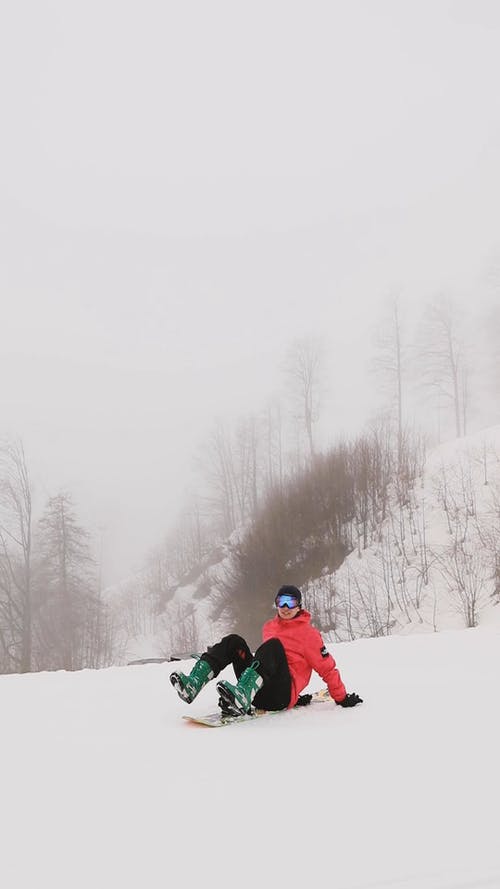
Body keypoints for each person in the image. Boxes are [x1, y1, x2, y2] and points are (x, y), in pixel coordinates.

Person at [170, 584, 363, 717]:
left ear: (299, 606)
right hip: (258, 692)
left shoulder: (309, 635)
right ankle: (193, 684)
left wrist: (342, 698)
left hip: (280, 696)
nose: (285, 607)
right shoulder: (269, 627)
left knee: (273, 646)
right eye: (281, 601)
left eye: (291, 602)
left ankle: (242, 695)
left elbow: (326, 668)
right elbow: (265, 665)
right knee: (234, 641)